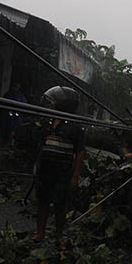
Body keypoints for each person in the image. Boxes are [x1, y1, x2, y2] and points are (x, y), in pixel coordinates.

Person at [30, 86, 86, 248]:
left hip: (63, 172)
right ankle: (40, 233)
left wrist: (75, 176)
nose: (51, 103)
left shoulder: (75, 126)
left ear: (63, 104)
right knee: (43, 202)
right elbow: (39, 145)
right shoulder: (47, 121)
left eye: (53, 101)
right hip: (44, 170)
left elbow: (80, 152)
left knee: (60, 205)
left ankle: (59, 236)